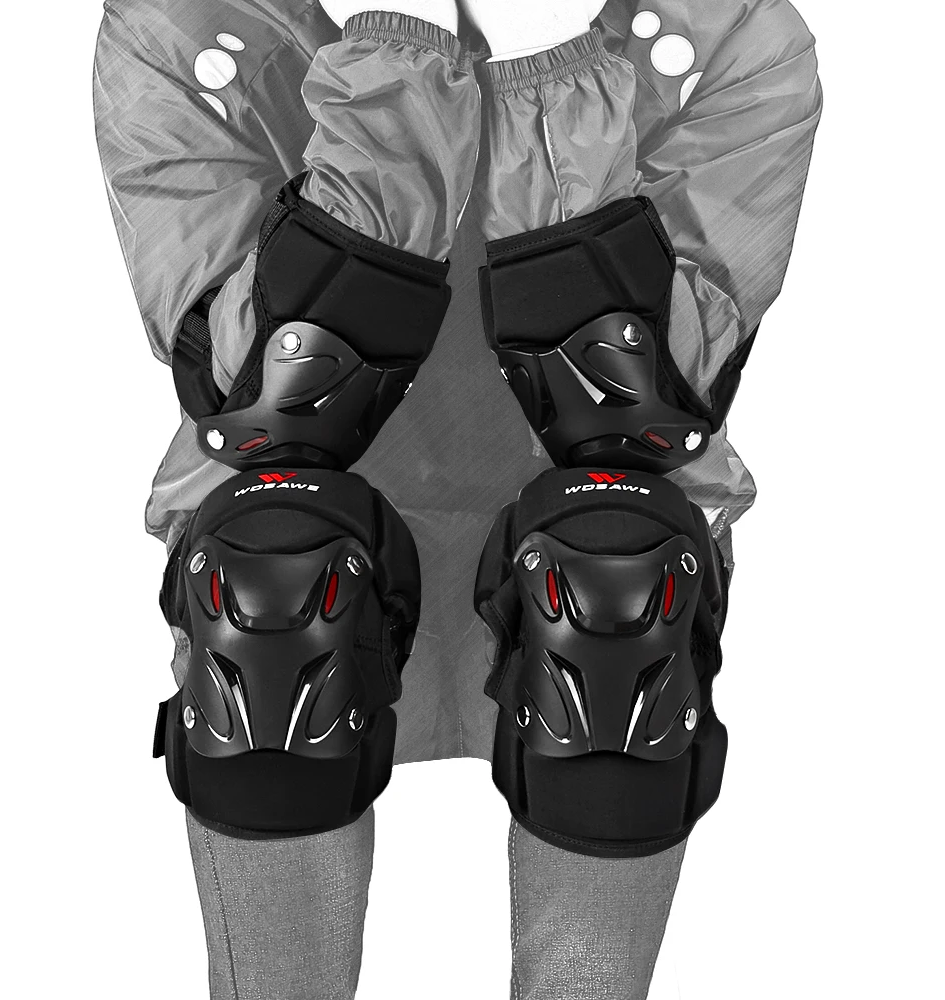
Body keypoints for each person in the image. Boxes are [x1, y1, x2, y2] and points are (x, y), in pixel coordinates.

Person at [94, 1, 821, 996]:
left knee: (616, 578)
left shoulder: (716, 32)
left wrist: (548, 57)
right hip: (304, 513)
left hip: (589, 516)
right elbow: (270, 389)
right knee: (272, 578)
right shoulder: (191, 25)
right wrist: (401, 47)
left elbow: (638, 394)